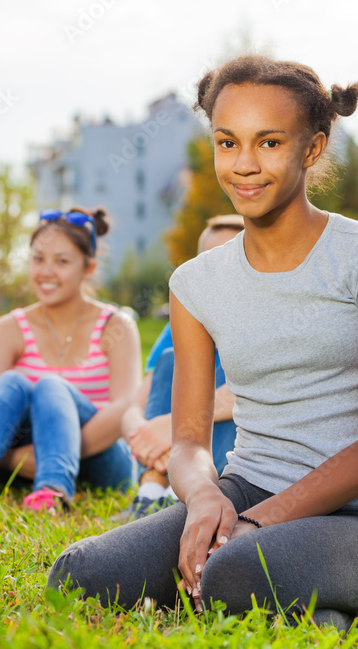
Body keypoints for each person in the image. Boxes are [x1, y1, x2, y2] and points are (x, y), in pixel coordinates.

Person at [49, 54, 358, 631]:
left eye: (269, 143)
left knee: (233, 572)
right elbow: (191, 441)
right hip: (246, 486)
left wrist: (258, 524)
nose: (244, 165)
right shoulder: (195, 283)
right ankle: (305, 609)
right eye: (227, 143)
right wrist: (203, 497)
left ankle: (292, 597)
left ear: (313, 148)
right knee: (80, 575)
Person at [0, 207, 140, 512]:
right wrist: (19, 456)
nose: (46, 271)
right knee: (11, 383)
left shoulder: (117, 325)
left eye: (61, 261)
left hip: (101, 461)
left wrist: (56, 454)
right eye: (38, 259)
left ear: (88, 268)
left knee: (51, 387)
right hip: (20, 464)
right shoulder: (8, 328)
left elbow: (125, 409)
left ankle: (53, 488)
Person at [115, 215, 244, 522]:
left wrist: (174, 426)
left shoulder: (258, 321)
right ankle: (150, 493)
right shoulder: (183, 318)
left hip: (221, 454)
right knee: (172, 359)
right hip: (168, 452)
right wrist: (143, 433)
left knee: (228, 363)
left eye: (232, 259)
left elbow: (259, 393)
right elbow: (136, 405)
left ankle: (179, 493)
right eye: (209, 261)